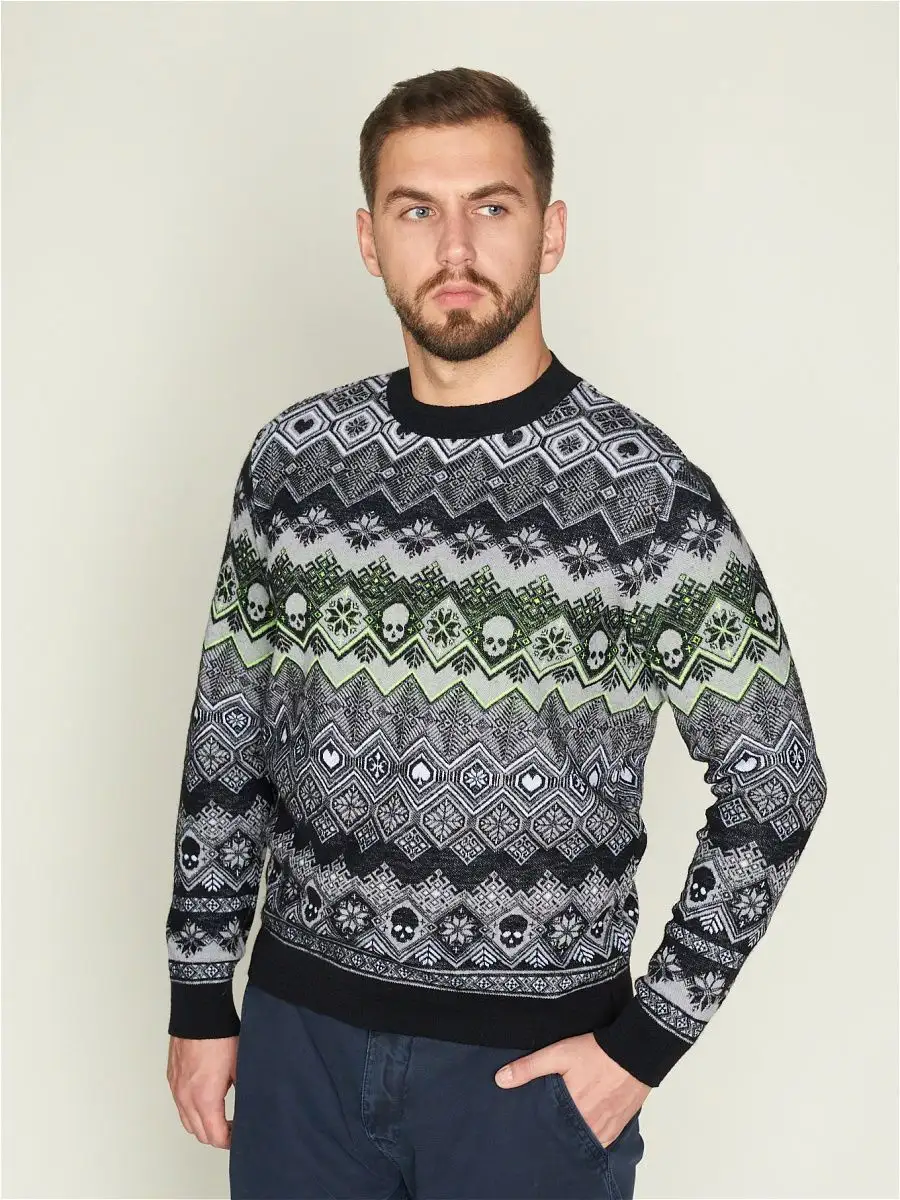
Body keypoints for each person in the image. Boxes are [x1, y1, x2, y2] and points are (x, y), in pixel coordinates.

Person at [165, 66, 828, 1200]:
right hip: (298, 1049)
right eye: (417, 209)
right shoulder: (293, 463)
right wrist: (198, 994)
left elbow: (780, 784)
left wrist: (644, 1047)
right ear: (370, 240)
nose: (456, 246)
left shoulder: (646, 495)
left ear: (550, 231)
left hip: (525, 1080)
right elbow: (228, 741)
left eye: (493, 206)